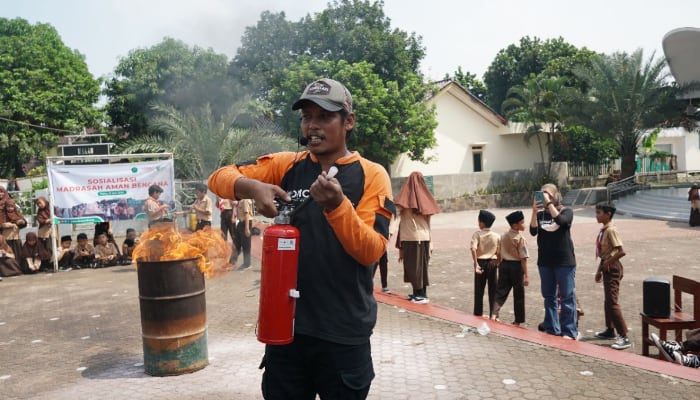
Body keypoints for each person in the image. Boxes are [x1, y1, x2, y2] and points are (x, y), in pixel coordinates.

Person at [208, 77, 394, 399]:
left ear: (348, 122)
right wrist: (252, 188)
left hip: (343, 333)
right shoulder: (287, 165)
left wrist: (337, 206)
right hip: (286, 329)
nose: (313, 126)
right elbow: (219, 177)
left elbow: (370, 252)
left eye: (325, 117)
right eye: (307, 117)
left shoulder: (371, 175)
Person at [529, 183, 579, 340]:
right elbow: (532, 231)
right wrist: (534, 211)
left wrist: (549, 204)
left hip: (564, 262)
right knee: (549, 296)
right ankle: (552, 328)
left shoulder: (567, 211)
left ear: (556, 196)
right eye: (542, 194)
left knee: (567, 297)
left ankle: (569, 331)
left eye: (549, 194)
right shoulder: (541, 215)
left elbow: (562, 222)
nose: (545, 197)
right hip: (545, 262)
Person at [395, 171, 440, 305]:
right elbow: (428, 222)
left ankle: (420, 295)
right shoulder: (426, 200)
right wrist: (431, 241)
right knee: (421, 267)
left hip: (411, 238)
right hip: (424, 237)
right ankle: (419, 293)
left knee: (413, 267)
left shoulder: (404, 200)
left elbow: (395, 213)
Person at [592, 203, 631, 350]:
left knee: (612, 302)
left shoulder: (611, 230)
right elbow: (604, 253)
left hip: (613, 268)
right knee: (608, 301)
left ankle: (624, 336)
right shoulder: (604, 230)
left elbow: (621, 251)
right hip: (607, 266)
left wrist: (607, 264)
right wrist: (599, 270)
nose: (597, 215)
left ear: (608, 214)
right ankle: (610, 330)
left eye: (599, 212)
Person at [491, 210, 529, 325]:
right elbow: (524, 258)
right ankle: (518, 320)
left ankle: (494, 313)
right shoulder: (520, 239)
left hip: (504, 265)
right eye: (522, 222)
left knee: (501, 291)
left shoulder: (503, 236)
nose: (524, 224)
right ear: (515, 225)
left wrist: (498, 263)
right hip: (516, 267)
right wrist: (526, 275)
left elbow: (498, 252)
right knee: (518, 294)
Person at [470, 209, 500, 317]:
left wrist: (475, 263)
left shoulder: (477, 235)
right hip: (492, 263)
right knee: (493, 290)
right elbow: (499, 252)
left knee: (479, 290)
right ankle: (494, 315)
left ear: (482, 223)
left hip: (481, 263)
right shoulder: (496, 236)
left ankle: (478, 313)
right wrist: (497, 262)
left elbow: (473, 248)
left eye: (479, 221)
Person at [232, 198, 253, 270]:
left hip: (245, 223)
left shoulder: (245, 200)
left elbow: (246, 214)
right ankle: (232, 262)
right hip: (240, 223)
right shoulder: (240, 201)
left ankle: (247, 264)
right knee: (236, 243)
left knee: (246, 245)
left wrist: (247, 229)